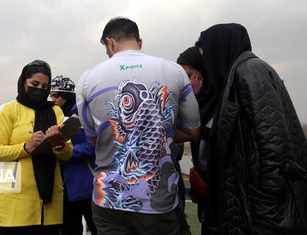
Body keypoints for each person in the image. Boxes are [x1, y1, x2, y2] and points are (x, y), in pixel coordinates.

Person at [76, 17, 200, 235]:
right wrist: (160, 132)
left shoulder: (87, 79)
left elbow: (94, 139)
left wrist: (129, 134)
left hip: (108, 201)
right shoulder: (175, 71)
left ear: (109, 43)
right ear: (139, 42)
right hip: (158, 202)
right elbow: (193, 131)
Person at [195, 23, 307, 234]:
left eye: (207, 58)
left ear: (220, 51)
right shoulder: (238, 74)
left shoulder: (249, 72)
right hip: (247, 207)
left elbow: (275, 145)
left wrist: (266, 205)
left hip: (259, 211)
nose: (206, 66)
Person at [0, 60, 73, 235]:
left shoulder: (56, 111)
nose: (39, 89)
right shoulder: (8, 110)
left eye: (44, 86)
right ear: (23, 82)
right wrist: (26, 147)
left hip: (51, 207)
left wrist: (59, 144)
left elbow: (67, 155)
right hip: (16, 205)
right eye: (34, 84)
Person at [50, 75, 97, 235]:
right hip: (64, 187)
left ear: (67, 96)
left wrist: (62, 153)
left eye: (56, 96)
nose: (52, 99)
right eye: (51, 95)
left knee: (95, 226)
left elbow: (91, 146)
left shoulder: (81, 116)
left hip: (86, 184)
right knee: (69, 229)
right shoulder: (54, 117)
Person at [177, 47, 211, 234]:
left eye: (189, 75)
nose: (187, 83)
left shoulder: (216, 101)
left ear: (202, 71)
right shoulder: (193, 104)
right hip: (204, 194)